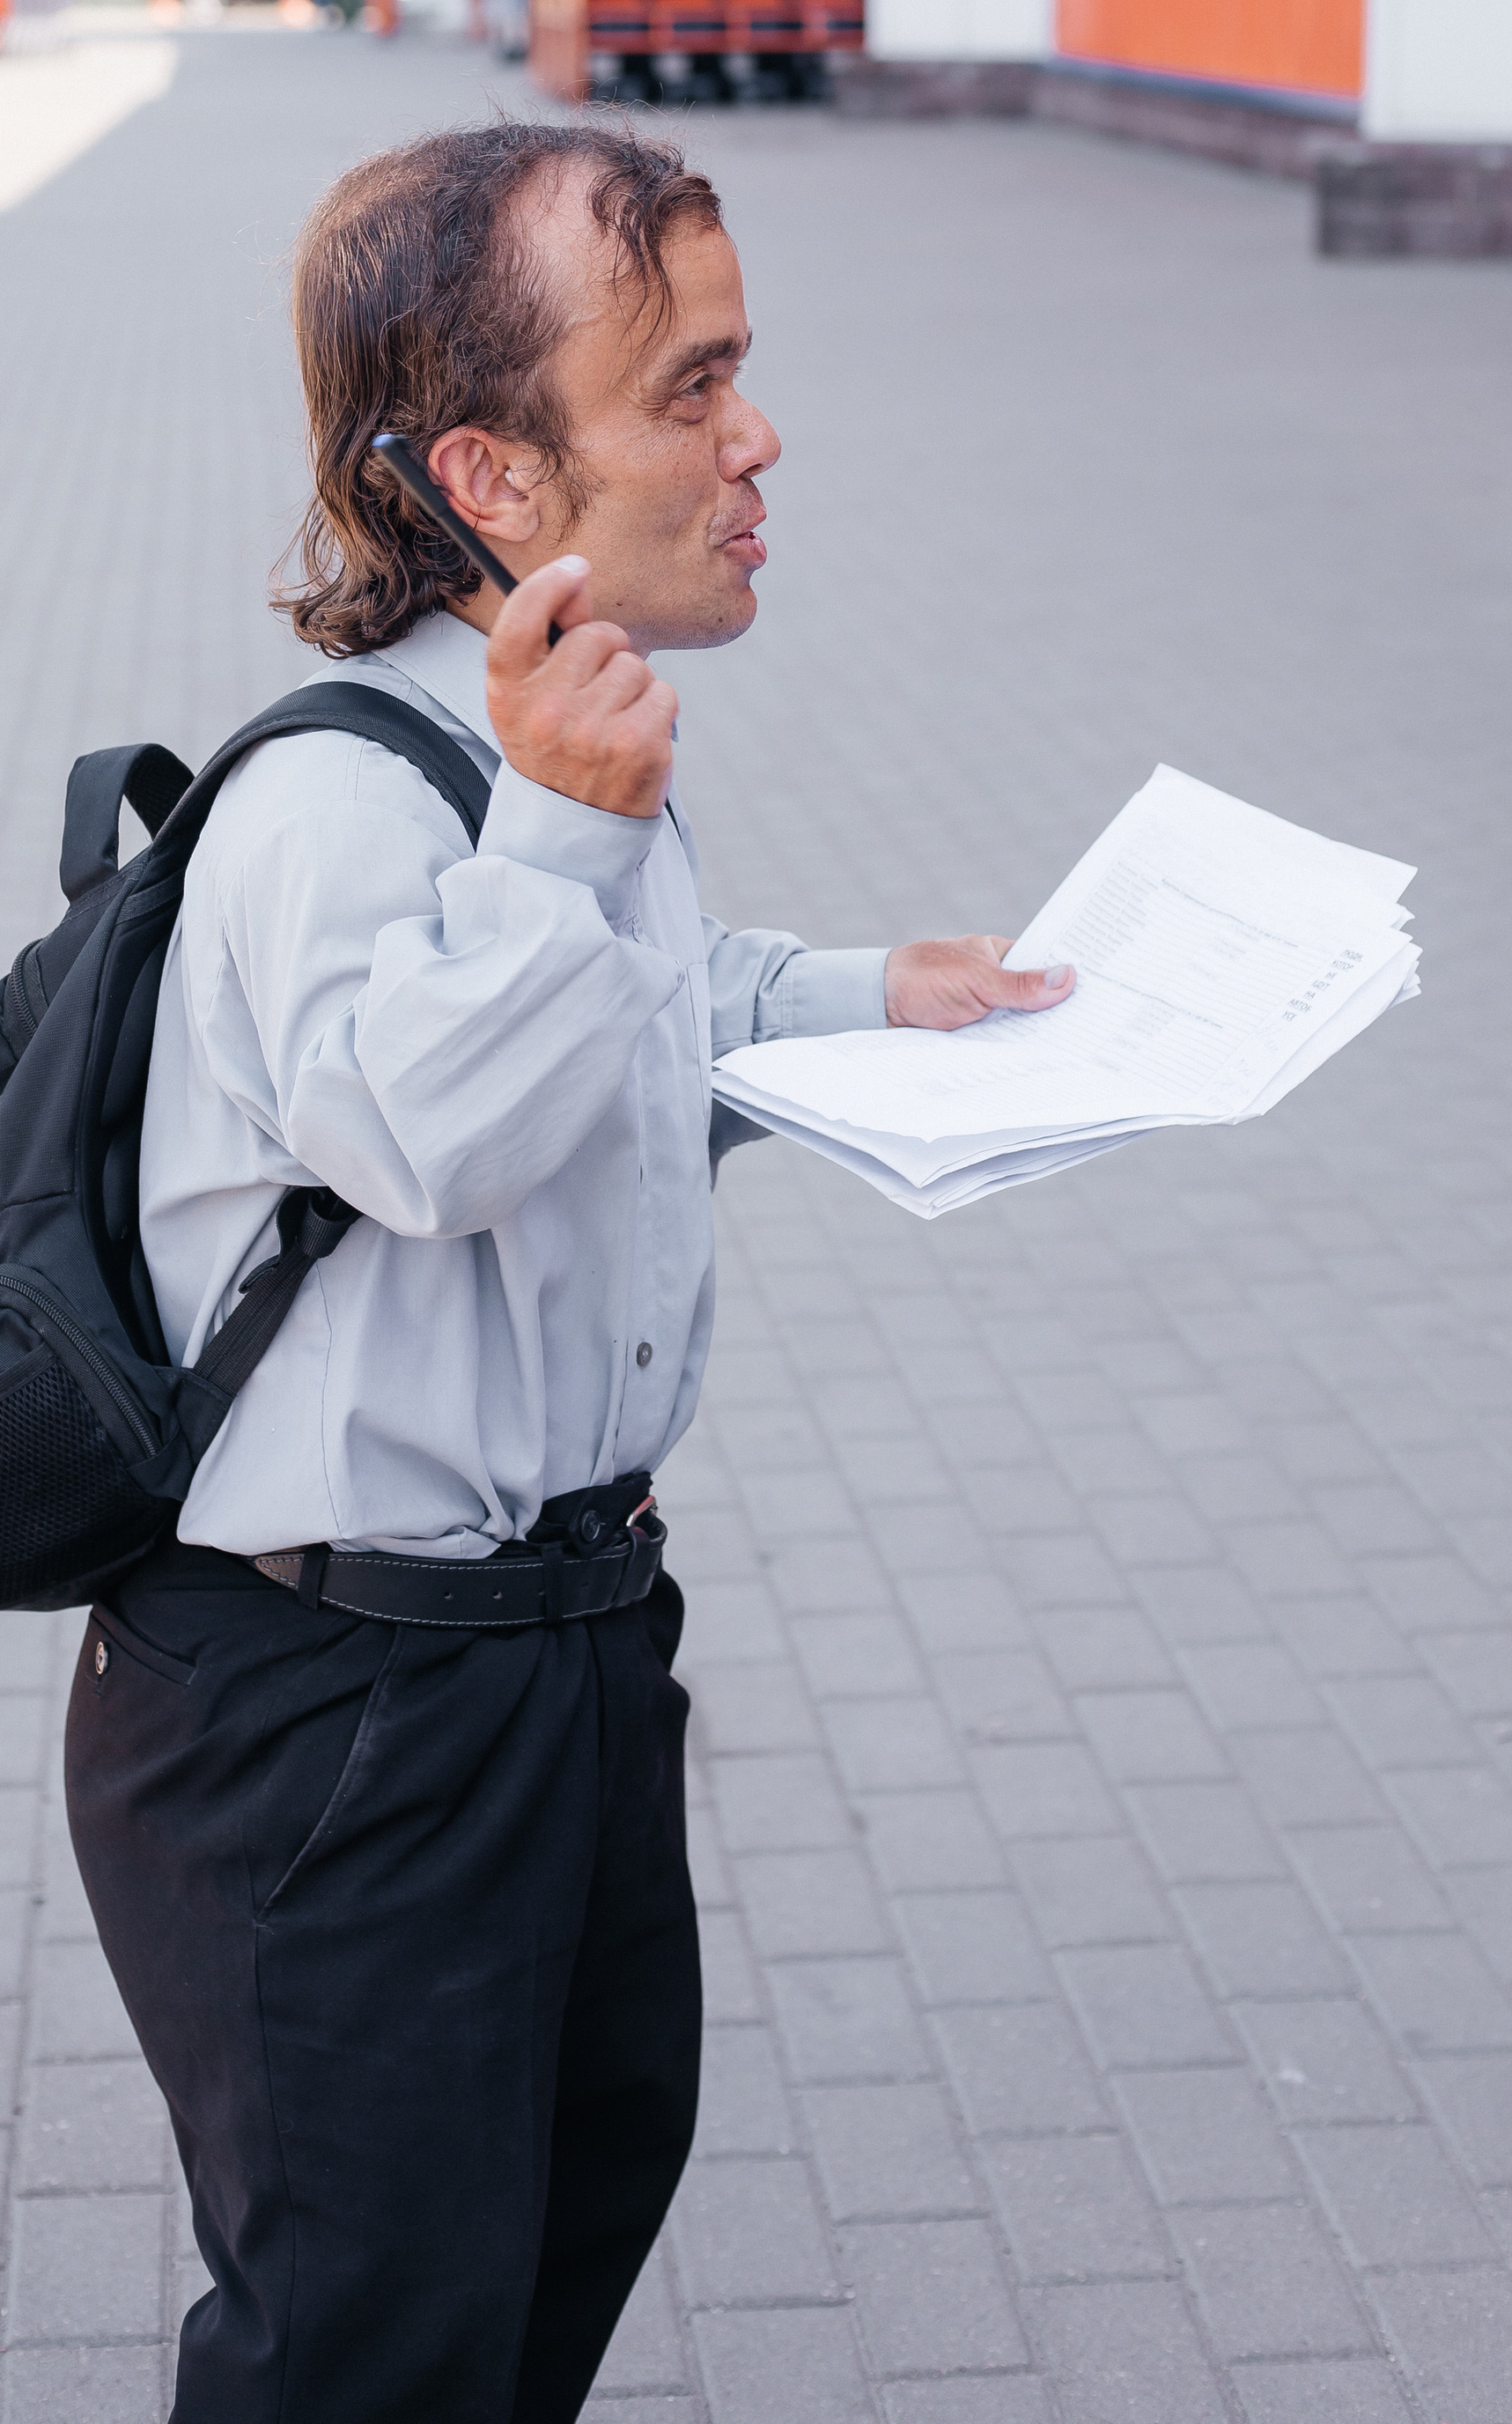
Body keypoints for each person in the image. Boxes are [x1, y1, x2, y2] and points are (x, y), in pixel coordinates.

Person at [64, 117, 1075, 2424]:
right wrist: (560, 834)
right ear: (494, 478)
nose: (758, 436)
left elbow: (637, 1031)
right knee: (369, 2346)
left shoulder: (540, 736)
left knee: (559, 2221)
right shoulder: (347, 797)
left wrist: (869, 997)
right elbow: (426, 1138)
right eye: (691, 386)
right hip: (336, 1703)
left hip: (560, 1648)